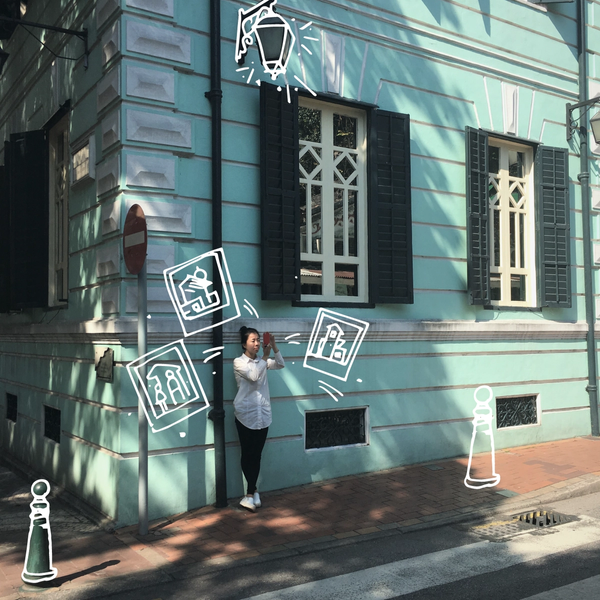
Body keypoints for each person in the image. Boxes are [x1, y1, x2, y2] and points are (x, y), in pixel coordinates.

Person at [233, 326, 285, 512]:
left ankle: (252, 493)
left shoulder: (262, 361)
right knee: (247, 454)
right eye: (252, 341)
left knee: (257, 454)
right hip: (245, 415)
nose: (256, 344)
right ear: (244, 344)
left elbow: (280, 364)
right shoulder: (239, 362)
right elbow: (254, 376)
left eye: (258, 340)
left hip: (262, 414)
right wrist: (264, 357)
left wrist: (274, 346)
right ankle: (251, 493)